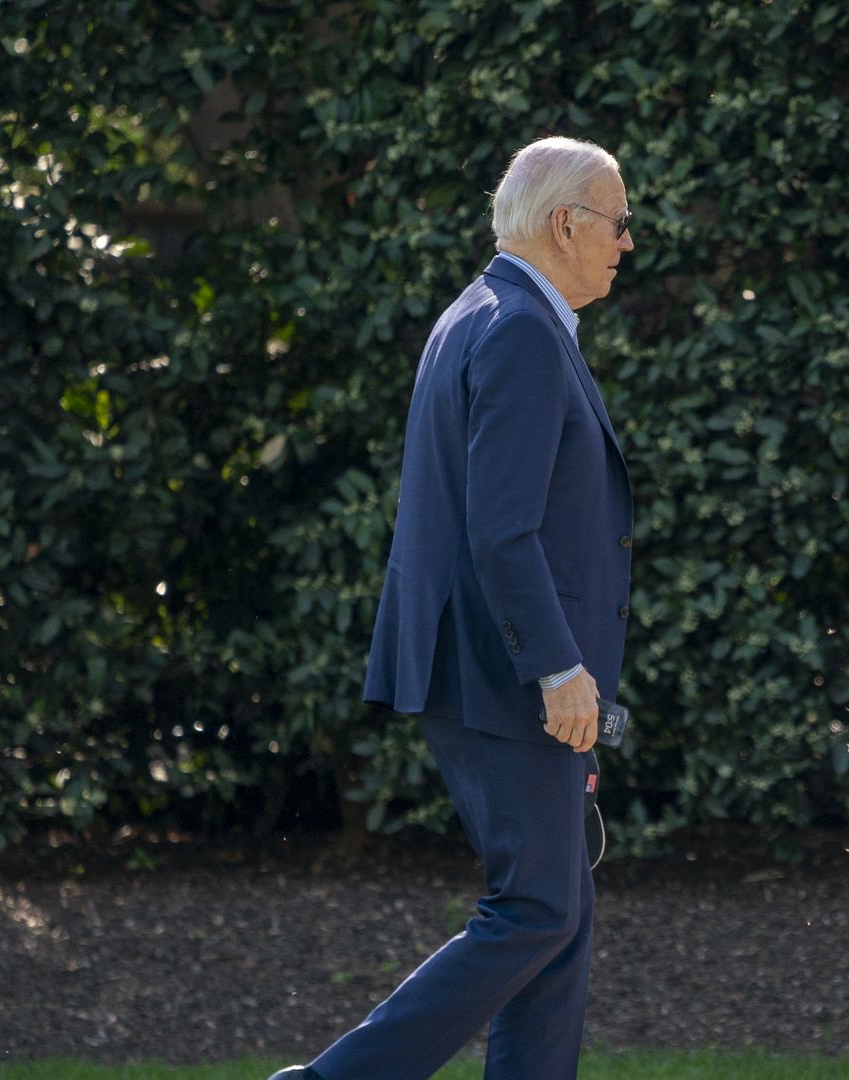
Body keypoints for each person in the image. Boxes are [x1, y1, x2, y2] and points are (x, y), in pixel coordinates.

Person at [270, 135, 635, 1080]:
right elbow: (501, 531)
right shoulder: (518, 328)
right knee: (537, 910)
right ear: (567, 223)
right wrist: (558, 667)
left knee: (558, 915)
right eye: (619, 222)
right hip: (508, 677)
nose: (627, 243)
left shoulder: (482, 311)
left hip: (482, 667)